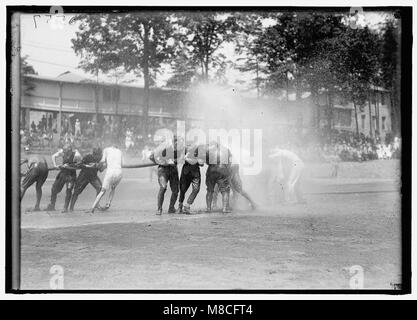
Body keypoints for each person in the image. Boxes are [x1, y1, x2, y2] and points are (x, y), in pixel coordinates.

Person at [46, 145, 82, 212]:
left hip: (71, 175)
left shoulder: (77, 155)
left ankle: (65, 208)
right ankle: (52, 205)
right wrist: (55, 165)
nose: (65, 153)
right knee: (54, 189)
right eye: (64, 152)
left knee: (68, 191)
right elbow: (53, 156)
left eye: (66, 152)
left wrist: (69, 166)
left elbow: (80, 166)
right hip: (63, 173)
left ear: (70, 150)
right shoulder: (63, 151)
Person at [149, 136, 180, 215]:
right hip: (163, 170)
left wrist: (175, 161)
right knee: (163, 187)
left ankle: (171, 208)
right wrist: (163, 162)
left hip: (173, 170)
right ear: (173, 142)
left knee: (175, 190)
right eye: (177, 143)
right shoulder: (163, 147)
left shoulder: (180, 149)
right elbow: (151, 157)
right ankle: (159, 209)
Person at [90, 141, 123, 213]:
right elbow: (122, 163)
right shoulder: (119, 151)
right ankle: (108, 203)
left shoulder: (106, 150)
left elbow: (102, 161)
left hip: (110, 172)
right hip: (119, 172)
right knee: (113, 188)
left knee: (102, 191)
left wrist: (98, 165)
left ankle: (92, 207)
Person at [178, 143, 204, 214]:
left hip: (195, 173)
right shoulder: (184, 150)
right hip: (186, 173)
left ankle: (187, 205)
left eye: (191, 145)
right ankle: (180, 206)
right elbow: (180, 160)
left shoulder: (199, 151)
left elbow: (201, 163)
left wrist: (187, 159)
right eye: (188, 145)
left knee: (196, 189)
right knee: (183, 190)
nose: (189, 146)